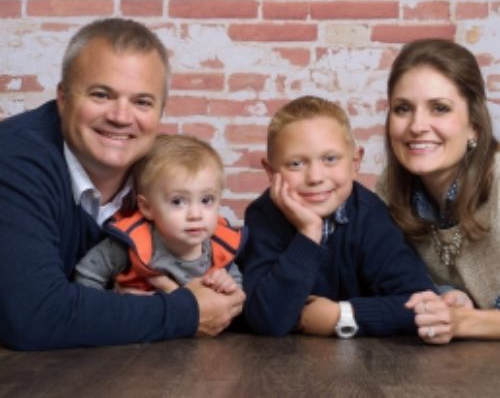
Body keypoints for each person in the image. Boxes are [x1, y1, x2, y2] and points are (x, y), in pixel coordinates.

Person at [0, 17, 244, 350]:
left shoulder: (160, 175)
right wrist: (186, 310)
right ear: (62, 97)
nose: (121, 116)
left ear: (160, 111)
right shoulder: (15, 160)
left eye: (142, 102)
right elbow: (34, 316)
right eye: (101, 95)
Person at [242, 95, 435, 338]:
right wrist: (308, 234)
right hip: (282, 363)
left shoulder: (370, 217)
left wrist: (343, 315)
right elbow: (267, 320)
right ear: (271, 173)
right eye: (295, 164)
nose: (315, 177)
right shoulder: (263, 216)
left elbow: (422, 304)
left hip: (368, 363)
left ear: (355, 163)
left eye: (330, 159)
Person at [378, 38, 500, 344]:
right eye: (403, 108)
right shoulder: (391, 191)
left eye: (439, 108)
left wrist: (466, 322)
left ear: (474, 125)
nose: (417, 125)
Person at [75, 134, 244, 294]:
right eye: (177, 201)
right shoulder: (130, 243)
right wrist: (113, 304)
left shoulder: (220, 247)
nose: (195, 215)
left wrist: (227, 286)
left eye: (206, 200)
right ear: (147, 207)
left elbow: (236, 296)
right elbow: (86, 275)